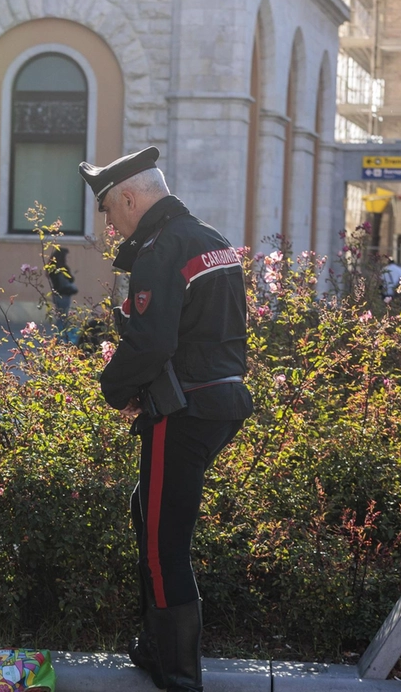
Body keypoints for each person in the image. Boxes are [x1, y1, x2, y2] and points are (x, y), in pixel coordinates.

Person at [78, 147, 253, 692]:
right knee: (150, 512)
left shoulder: (160, 249)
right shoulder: (211, 239)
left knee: (162, 541)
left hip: (183, 410)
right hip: (223, 401)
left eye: (108, 209)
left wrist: (116, 389)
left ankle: (177, 675)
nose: (109, 224)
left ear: (130, 197)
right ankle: (158, 646)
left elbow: (151, 343)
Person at [49, 247, 78, 339]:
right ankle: (59, 337)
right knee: (63, 318)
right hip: (63, 295)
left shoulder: (52, 267)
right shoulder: (62, 268)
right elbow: (69, 279)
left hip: (56, 294)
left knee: (60, 317)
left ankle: (58, 336)